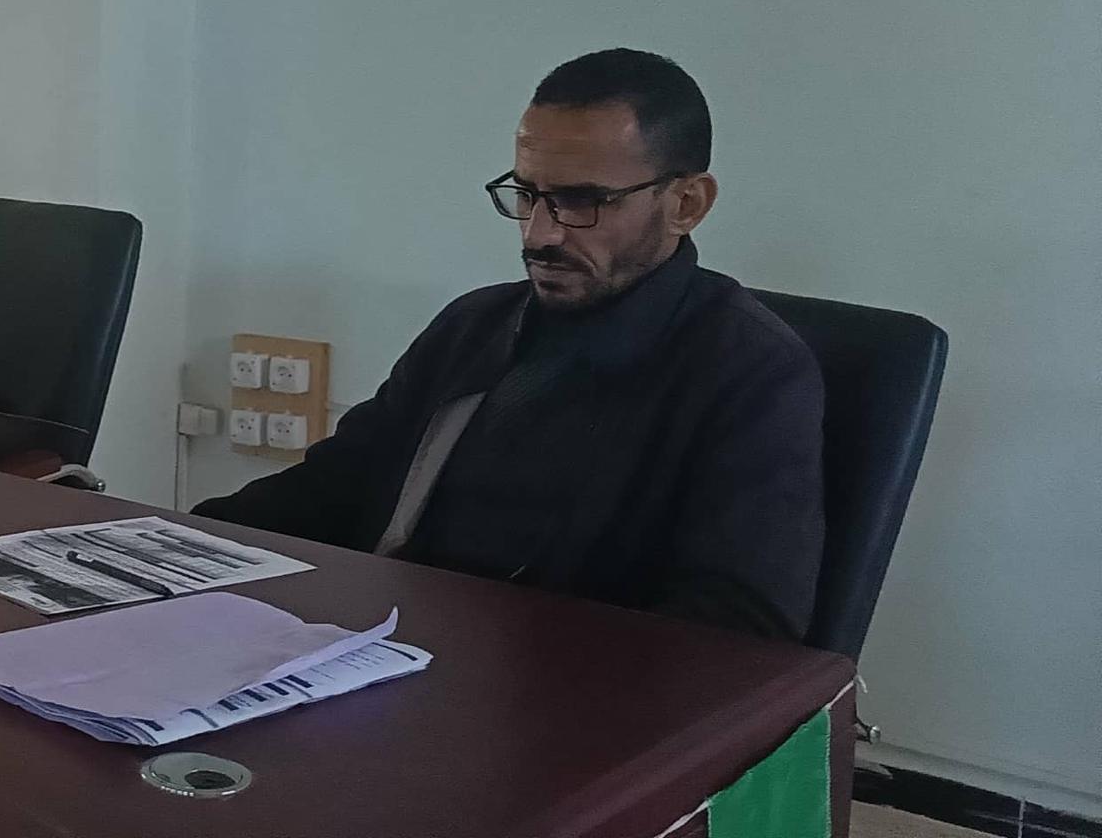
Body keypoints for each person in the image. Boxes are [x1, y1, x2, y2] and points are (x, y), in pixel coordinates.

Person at [192, 49, 824, 641]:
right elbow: (331, 489)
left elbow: (739, 629)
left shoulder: (750, 371)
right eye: (527, 194)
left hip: (565, 692)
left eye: (582, 201)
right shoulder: (475, 325)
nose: (539, 233)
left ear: (686, 203)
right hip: (387, 651)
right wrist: (168, 546)